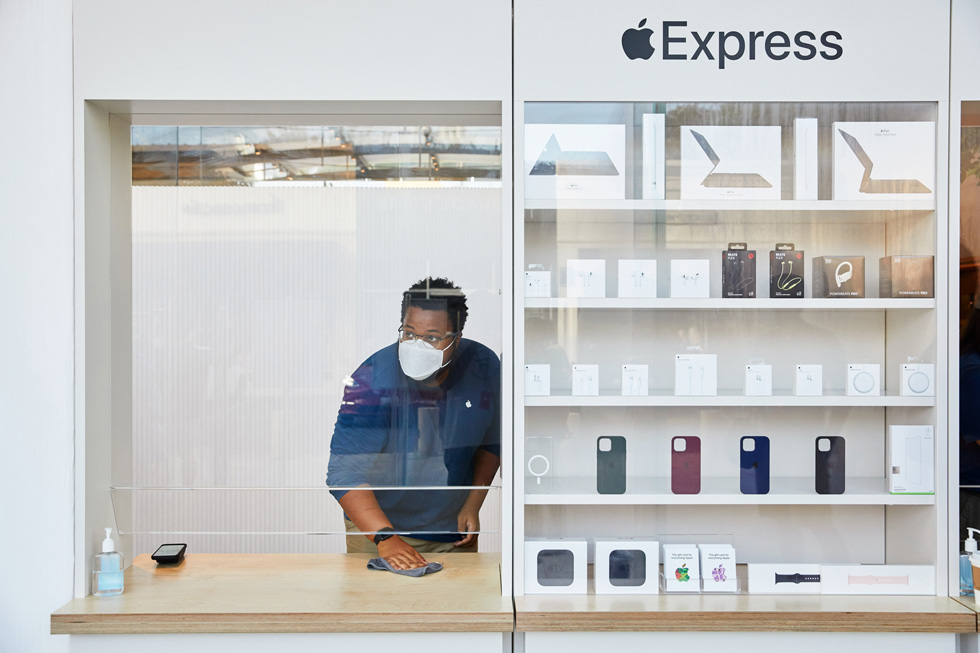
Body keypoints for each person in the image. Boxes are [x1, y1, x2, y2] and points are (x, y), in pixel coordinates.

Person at [326, 277, 501, 570]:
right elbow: (343, 473)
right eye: (409, 333)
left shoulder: (482, 366)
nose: (417, 345)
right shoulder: (371, 382)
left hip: (451, 531)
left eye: (432, 337)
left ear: (456, 339)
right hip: (379, 531)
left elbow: (493, 439)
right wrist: (385, 538)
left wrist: (474, 501)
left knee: (458, 611)